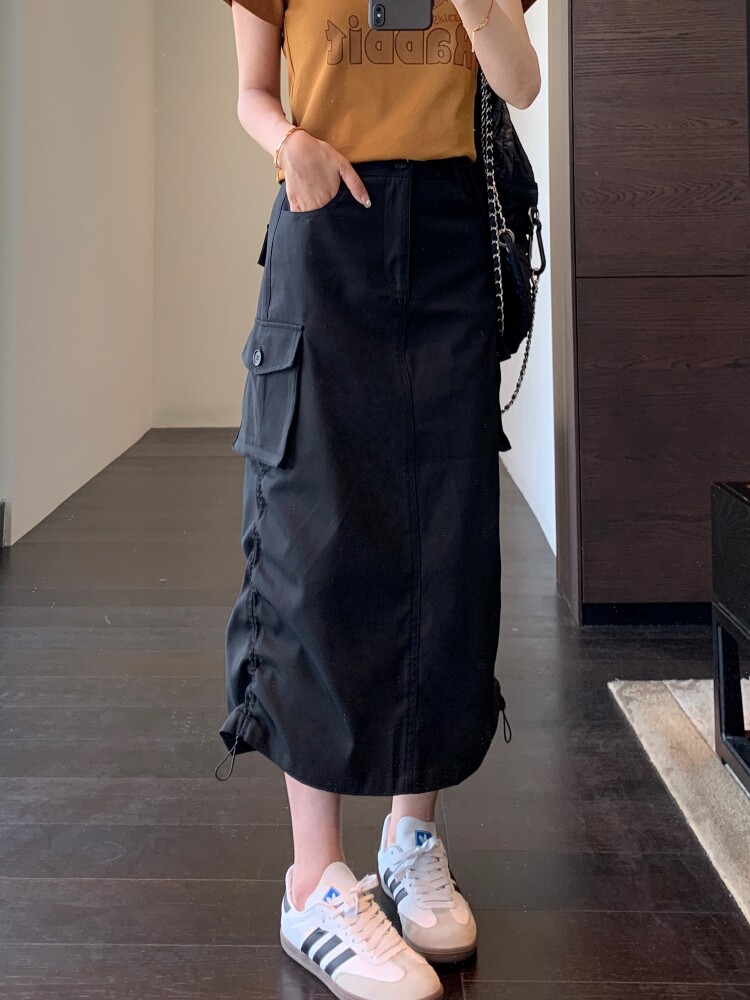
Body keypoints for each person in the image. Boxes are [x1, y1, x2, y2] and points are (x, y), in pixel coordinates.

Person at [213, 2, 540, 998]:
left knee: (443, 540)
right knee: (312, 545)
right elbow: (250, 92)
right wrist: (291, 146)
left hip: (448, 237)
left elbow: (521, 82)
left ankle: (411, 839)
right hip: (325, 223)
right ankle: (313, 881)